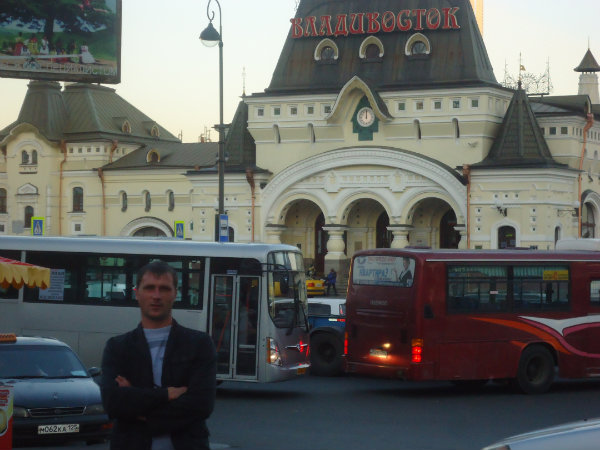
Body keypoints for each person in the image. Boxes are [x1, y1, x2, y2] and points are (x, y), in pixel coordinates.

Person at [100, 260, 217, 450]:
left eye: (164, 289)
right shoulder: (117, 347)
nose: (156, 296)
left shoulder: (199, 344)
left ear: (175, 293)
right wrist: (167, 394)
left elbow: (201, 404)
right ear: (137, 293)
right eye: (149, 288)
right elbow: (113, 402)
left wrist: (138, 406)